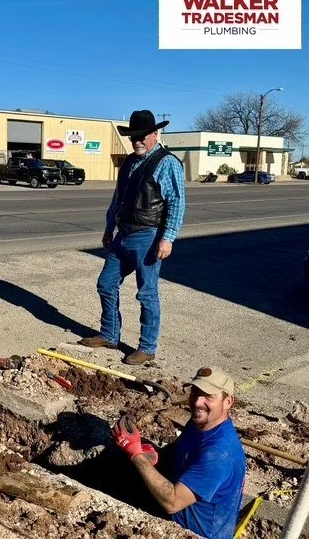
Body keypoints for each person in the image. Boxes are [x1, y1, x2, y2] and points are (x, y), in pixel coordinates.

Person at [79, 109, 186, 364]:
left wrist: (168, 237)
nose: (137, 141)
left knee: (147, 293)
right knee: (106, 284)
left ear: (155, 134)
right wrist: (108, 228)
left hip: (148, 237)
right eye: (133, 137)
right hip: (122, 235)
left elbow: (177, 202)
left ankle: (147, 347)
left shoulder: (167, 162)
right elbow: (118, 198)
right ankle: (109, 334)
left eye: (142, 136)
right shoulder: (128, 162)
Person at [112, 367, 246, 539]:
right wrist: (155, 454)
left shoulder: (219, 454)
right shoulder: (199, 424)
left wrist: (136, 454)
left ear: (228, 402)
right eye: (195, 393)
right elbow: (178, 450)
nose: (198, 402)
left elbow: (172, 502)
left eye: (208, 397)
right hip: (177, 516)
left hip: (192, 533)